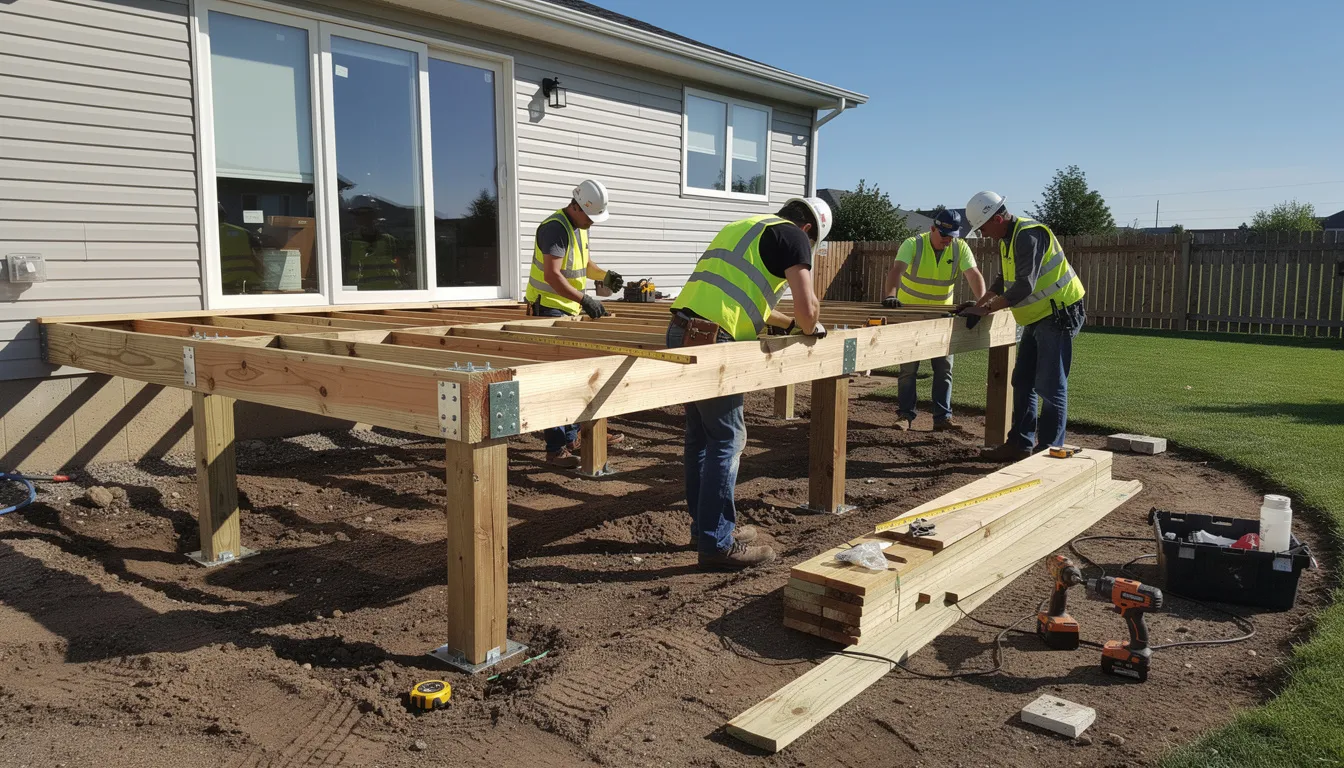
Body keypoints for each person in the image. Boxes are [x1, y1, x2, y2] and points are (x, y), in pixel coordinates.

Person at [666, 196, 832, 569]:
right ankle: (716, 544)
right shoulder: (795, 238)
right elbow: (809, 312)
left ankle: (706, 526)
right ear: (809, 230)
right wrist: (808, 323)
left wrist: (785, 322)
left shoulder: (744, 228)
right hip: (713, 339)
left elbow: (740, 298)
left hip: (681, 330)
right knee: (727, 439)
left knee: (701, 439)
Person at [961, 191, 1087, 461]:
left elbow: (1024, 286)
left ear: (996, 218)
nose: (982, 235)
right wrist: (979, 301)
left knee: (1050, 385)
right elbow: (1003, 278)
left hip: (1058, 312)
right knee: (1022, 381)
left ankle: (1049, 451)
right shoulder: (1009, 238)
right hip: (1036, 316)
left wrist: (984, 310)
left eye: (982, 229)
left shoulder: (1028, 235)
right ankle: (1020, 445)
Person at [523, 179, 627, 468]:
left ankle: (570, 438)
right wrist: (585, 300)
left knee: (573, 376)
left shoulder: (578, 228)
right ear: (578, 207)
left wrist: (603, 277)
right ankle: (555, 448)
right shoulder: (555, 228)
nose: (593, 223)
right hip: (549, 313)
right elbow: (553, 276)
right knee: (555, 380)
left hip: (568, 312)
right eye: (591, 217)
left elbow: (585, 265)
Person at [879, 209, 986, 432]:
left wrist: (982, 305)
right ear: (932, 229)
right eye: (944, 236)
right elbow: (896, 270)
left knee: (944, 368)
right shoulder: (913, 244)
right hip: (912, 317)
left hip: (943, 316)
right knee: (908, 370)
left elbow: (974, 275)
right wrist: (891, 295)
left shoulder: (960, 247)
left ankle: (942, 418)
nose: (948, 241)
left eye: (952, 236)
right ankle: (905, 416)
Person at [345, 196, 403, 290]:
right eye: (360, 214)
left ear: (375, 216)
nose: (365, 218)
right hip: (359, 295)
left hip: (390, 293)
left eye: (368, 214)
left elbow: (401, 267)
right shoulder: (347, 241)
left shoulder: (390, 241)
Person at [217, 202, 261, 294]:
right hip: (249, 280)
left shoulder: (211, 234)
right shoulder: (244, 232)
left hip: (224, 283)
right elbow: (259, 252)